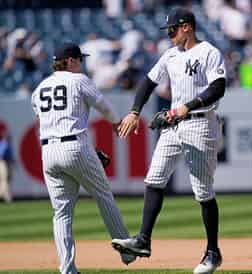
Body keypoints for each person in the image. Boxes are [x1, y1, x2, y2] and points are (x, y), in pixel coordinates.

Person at [111, 8, 226, 274]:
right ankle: (143, 240)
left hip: (200, 122)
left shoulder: (208, 51)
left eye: (173, 29)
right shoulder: (170, 55)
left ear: (186, 27)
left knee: (203, 191)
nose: (170, 34)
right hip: (173, 124)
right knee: (154, 179)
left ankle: (212, 252)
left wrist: (189, 105)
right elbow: (148, 83)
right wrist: (134, 111)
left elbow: (218, 87)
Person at [31, 42, 136, 274]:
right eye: (79, 59)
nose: (82, 62)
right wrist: (117, 123)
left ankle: (67, 269)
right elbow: (103, 106)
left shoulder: (39, 88)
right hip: (74, 146)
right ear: (69, 61)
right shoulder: (79, 80)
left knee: (61, 213)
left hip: (48, 151)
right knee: (103, 195)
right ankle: (127, 250)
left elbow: (44, 116)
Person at [0, 127, 13, 203]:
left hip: (6, 162)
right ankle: (4, 196)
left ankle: (6, 196)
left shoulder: (5, 143)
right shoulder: (4, 143)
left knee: (6, 180)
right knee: (4, 180)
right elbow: (1, 154)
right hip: (3, 163)